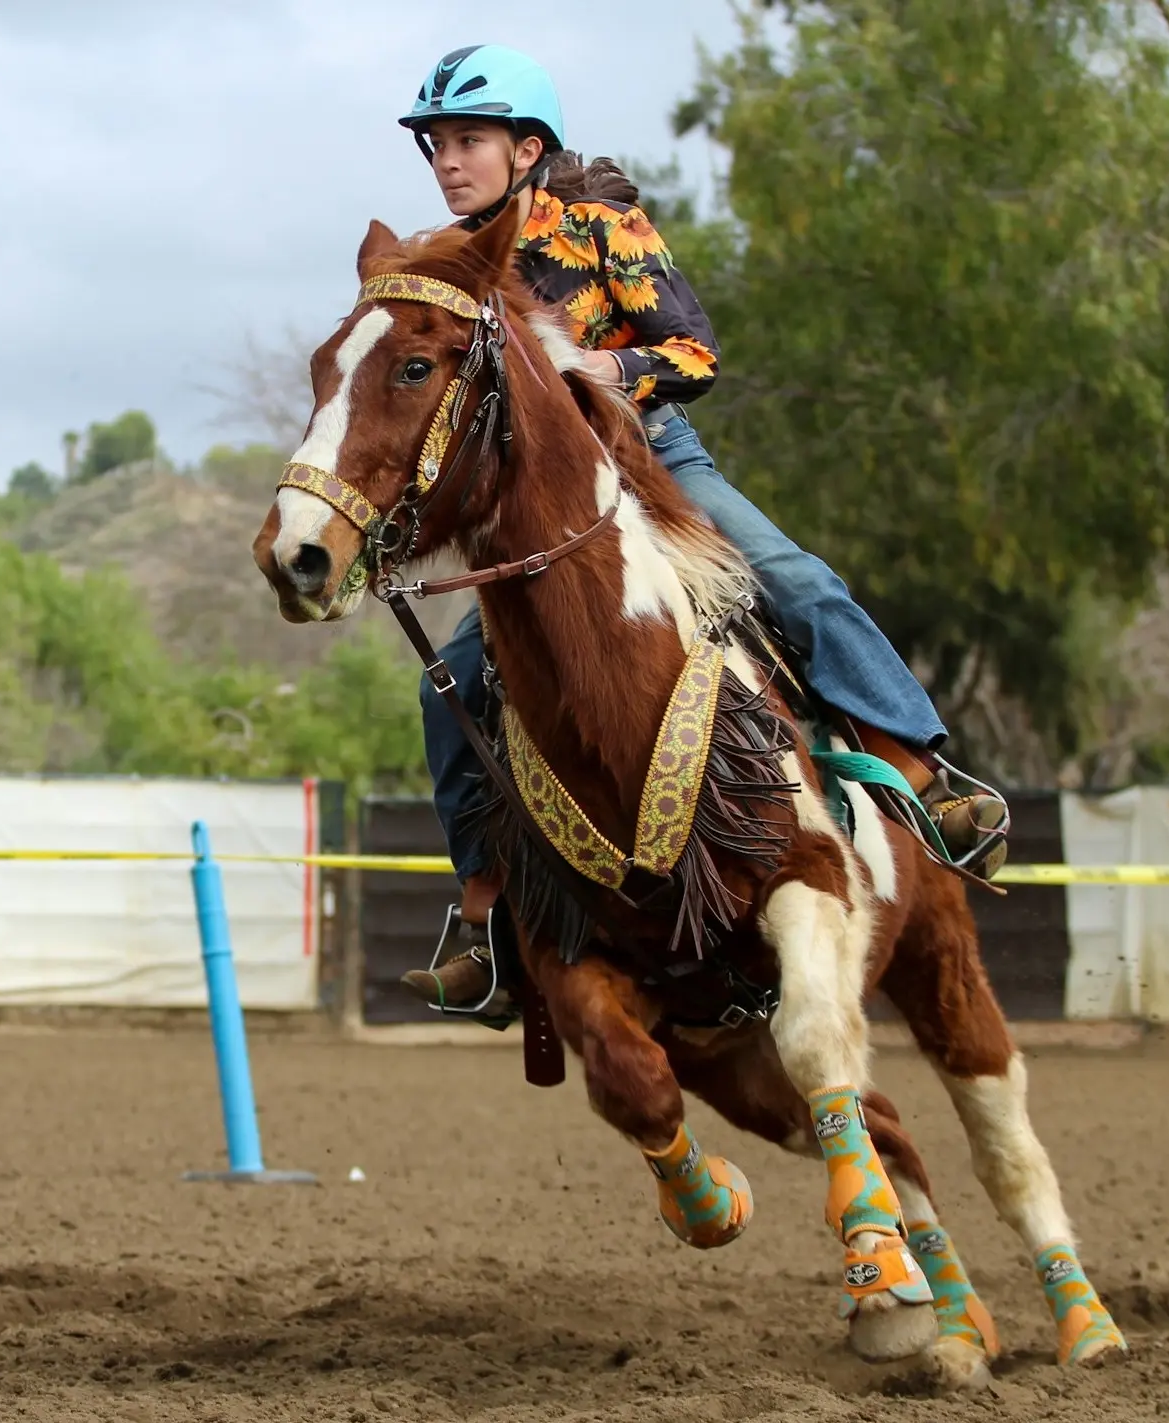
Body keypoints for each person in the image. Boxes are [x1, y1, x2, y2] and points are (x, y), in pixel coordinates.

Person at [392, 45, 1007, 1017]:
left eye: (467, 140)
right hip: (546, 506)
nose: (448, 162)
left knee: (792, 579)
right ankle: (487, 917)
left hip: (656, 461)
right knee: (451, 688)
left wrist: (612, 377)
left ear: (527, 146)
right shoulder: (449, 264)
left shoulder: (601, 223)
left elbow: (692, 349)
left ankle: (926, 776)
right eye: (437, 145)